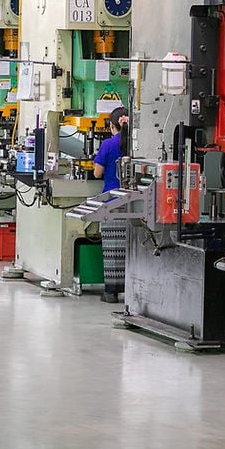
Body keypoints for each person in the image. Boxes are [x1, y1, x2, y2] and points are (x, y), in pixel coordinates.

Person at [93, 107, 128, 303]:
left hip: (111, 201)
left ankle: (111, 292)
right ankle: (131, 287)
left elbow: (97, 173)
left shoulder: (107, 144)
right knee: (130, 247)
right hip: (133, 201)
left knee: (112, 249)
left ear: (111, 126)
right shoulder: (135, 144)